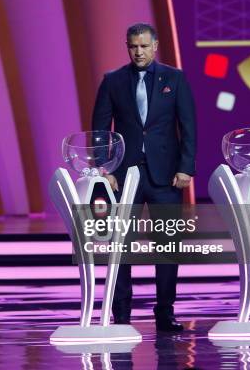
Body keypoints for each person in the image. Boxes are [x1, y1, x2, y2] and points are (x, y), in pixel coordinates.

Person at [91, 23, 196, 331]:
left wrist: (186, 167)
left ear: (155, 45)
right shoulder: (112, 81)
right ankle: (121, 313)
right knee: (120, 245)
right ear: (127, 46)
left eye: (144, 46)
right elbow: (100, 131)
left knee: (167, 245)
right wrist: (105, 169)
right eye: (133, 46)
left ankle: (165, 311)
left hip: (166, 176)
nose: (138, 52)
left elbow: (188, 125)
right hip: (124, 177)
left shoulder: (174, 78)